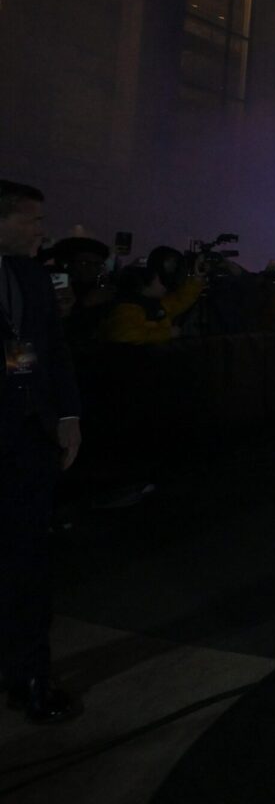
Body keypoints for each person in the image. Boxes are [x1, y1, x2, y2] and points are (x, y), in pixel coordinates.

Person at [0, 180, 83, 723]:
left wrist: (69, 417)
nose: (41, 229)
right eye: (31, 219)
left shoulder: (31, 274)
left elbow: (53, 351)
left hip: (28, 442)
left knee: (29, 565)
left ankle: (29, 676)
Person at [98, 247, 205, 344]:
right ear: (146, 278)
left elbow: (182, 299)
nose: (168, 283)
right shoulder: (126, 308)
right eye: (162, 278)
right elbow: (125, 336)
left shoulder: (157, 303)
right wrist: (168, 333)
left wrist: (197, 277)